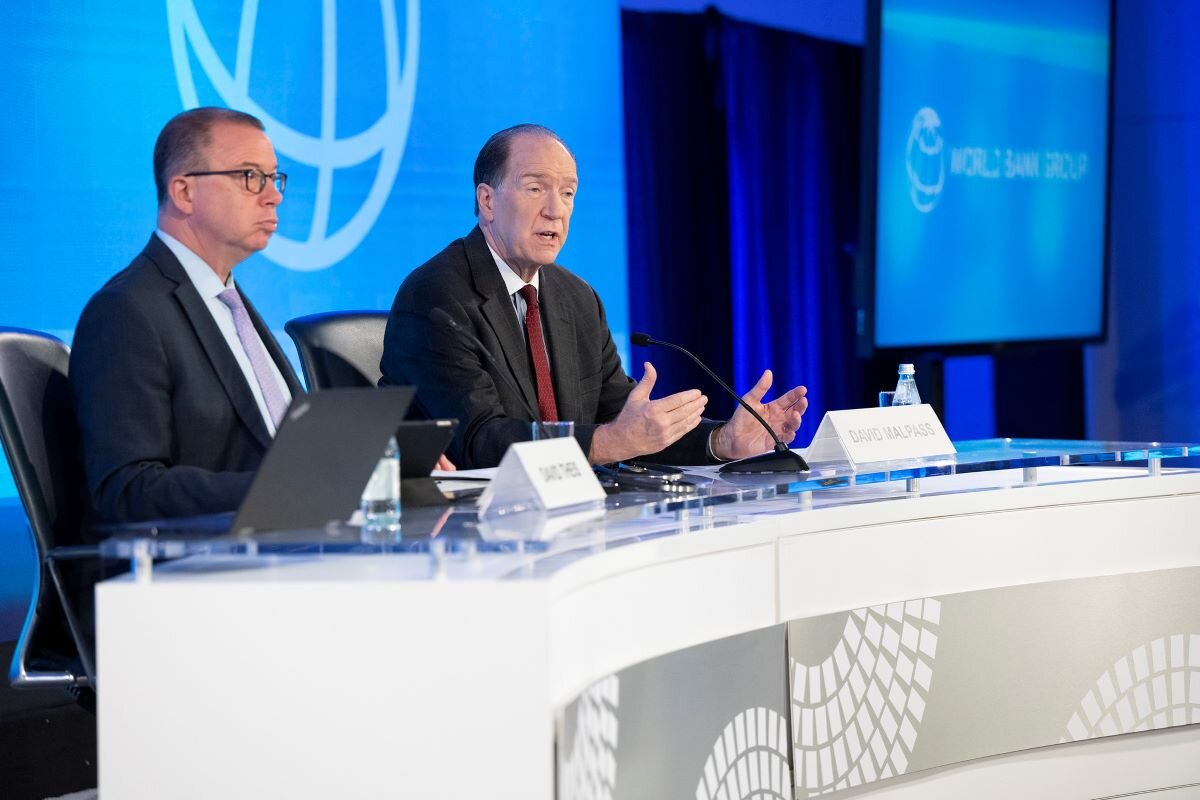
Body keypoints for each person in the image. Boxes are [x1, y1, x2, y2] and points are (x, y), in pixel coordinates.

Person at [380, 124, 808, 469]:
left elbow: (624, 423)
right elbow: (478, 441)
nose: (556, 209)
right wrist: (607, 443)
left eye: (567, 193)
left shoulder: (577, 299)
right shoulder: (436, 296)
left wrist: (722, 440)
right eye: (535, 188)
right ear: (487, 200)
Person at [71, 107, 302, 525]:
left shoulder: (231, 302)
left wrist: (384, 462)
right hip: (197, 569)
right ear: (183, 192)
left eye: (273, 178)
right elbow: (127, 489)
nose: (273, 195)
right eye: (250, 177)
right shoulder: (126, 313)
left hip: (291, 548)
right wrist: (281, 484)